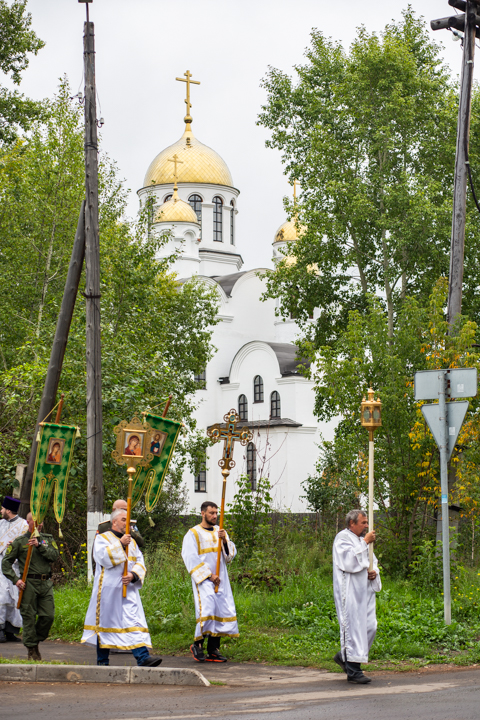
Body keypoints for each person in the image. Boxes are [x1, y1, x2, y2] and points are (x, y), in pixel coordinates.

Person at [81, 508, 162, 667]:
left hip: (128, 591)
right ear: (114, 522)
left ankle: (143, 657)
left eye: (128, 521)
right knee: (104, 625)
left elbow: (140, 561)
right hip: (108, 592)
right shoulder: (102, 538)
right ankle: (102, 661)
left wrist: (133, 575)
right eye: (123, 520)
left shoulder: (132, 542)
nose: (127, 523)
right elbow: (103, 558)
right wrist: (120, 544)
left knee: (132, 621)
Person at [182, 501, 238, 663]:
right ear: (203, 513)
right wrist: (209, 575)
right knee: (206, 609)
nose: (214, 516)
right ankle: (197, 645)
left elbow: (229, 557)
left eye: (216, 513)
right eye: (211, 513)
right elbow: (190, 557)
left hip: (221, 579)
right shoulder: (193, 534)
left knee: (221, 610)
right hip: (205, 580)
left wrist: (225, 542)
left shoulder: (220, 532)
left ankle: (213, 649)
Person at [332, 509, 381, 684]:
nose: (367, 526)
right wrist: (365, 543)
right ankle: (353, 670)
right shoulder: (342, 539)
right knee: (353, 628)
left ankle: (344, 656)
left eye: (367, 522)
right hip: (350, 592)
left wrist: (373, 572)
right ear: (352, 523)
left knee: (370, 626)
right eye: (363, 522)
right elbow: (347, 562)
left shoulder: (362, 540)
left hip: (364, 592)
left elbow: (371, 562)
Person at [2, 512, 59, 660]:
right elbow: (6, 563)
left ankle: (34, 639)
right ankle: (32, 649)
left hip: (45, 583)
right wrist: (16, 580)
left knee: (48, 616)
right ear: (28, 523)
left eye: (41, 522)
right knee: (28, 617)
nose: (39, 525)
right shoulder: (20, 542)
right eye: (36, 522)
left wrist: (39, 545)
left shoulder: (47, 539)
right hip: (28, 584)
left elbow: (54, 556)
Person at [0, 496, 29, 643]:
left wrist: (17, 545)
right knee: (2, 598)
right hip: (1, 565)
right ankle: (0, 629)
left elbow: (28, 544)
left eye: (3, 509)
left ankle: (11, 631)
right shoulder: (0, 524)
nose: (1, 511)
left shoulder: (23, 525)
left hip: (15, 567)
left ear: (9, 510)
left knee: (14, 598)